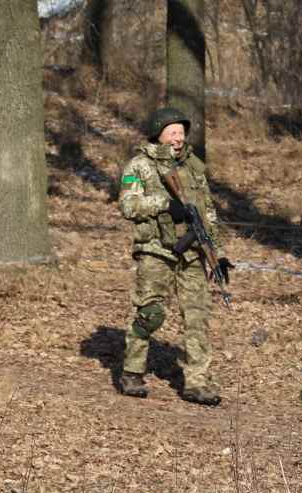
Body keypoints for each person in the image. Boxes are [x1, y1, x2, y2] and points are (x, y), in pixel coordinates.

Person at [117, 107, 224, 406]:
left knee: (197, 316)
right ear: (158, 134)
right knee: (150, 313)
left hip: (192, 252)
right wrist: (164, 204)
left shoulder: (193, 166)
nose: (178, 138)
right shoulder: (140, 165)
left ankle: (197, 382)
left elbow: (208, 212)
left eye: (181, 132)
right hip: (155, 249)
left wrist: (217, 253)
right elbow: (128, 205)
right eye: (172, 132)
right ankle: (132, 372)